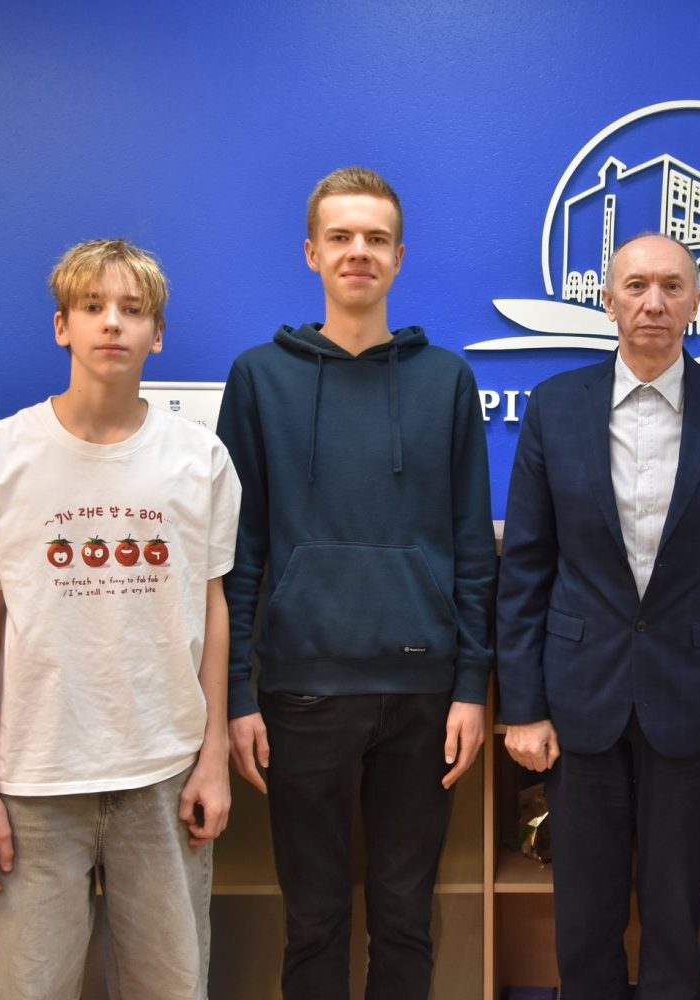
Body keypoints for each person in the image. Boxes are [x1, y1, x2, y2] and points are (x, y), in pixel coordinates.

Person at [0, 239, 240, 999]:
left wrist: (213, 755)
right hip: (35, 782)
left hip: (164, 775)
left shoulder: (201, 460)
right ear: (62, 325)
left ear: (157, 334)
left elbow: (212, 606)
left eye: (133, 309)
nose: (113, 323)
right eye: (92, 307)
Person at [216, 166, 496, 1000]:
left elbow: (471, 549)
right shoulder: (258, 378)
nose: (358, 252)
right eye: (340, 237)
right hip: (300, 693)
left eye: (376, 238)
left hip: (423, 696)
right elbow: (238, 551)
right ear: (312, 252)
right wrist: (236, 695)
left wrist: (471, 687)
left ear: (400, 257)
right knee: (314, 922)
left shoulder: (445, 380)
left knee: (405, 920)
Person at [497, 232, 700, 1000]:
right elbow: (524, 568)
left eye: (671, 286)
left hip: (694, 699)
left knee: (675, 913)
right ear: (608, 300)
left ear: (697, 302)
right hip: (577, 695)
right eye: (635, 286)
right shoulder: (556, 406)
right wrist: (522, 706)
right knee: (583, 914)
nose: (653, 302)